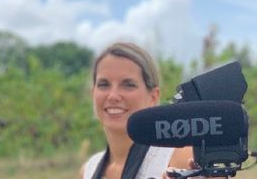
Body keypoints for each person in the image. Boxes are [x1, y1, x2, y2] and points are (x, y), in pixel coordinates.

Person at [80, 42, 193, 179]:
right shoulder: (89, 170)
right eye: (104, 84)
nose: (113, 96)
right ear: (93, 93)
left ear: (153, 97)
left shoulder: (179, 160)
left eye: (128, 85)